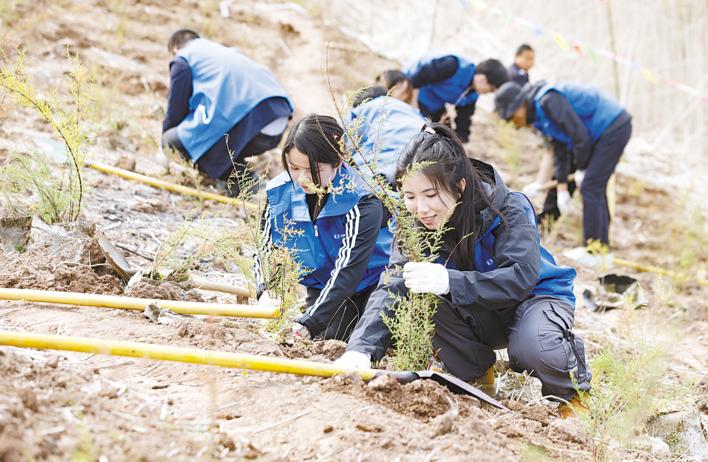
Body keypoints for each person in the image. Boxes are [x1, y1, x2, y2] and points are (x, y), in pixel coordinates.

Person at [335, 124, 591, 412]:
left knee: (537, 347)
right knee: (418, 295)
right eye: (409, 196)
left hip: (534, 299)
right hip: (478, 311)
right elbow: (393, 286)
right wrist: (361, 349)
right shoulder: (414, 227)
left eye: (431, 195)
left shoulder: (508, 208)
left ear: (460, 186)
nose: (421, 208)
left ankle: (574, 398)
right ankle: (477, 379)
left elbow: (520, 277)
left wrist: (450, 282)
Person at [254, 115, 393, 341]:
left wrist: (310, 321)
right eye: (294, 167)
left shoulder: (362, 200)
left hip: (373, 283)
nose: (302, 178)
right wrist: (265, 289)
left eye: (313, 170)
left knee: (373, 334)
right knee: (328, 338)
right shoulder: (280, 192)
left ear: (338, 161)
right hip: (323, 284)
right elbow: (267, 246)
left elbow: (349, 268)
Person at [494, 81, 632, 245]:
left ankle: (594, 249)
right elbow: (561, 150)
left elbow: (579, 136)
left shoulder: (548, 101)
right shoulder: (539, 117)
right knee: (593, 186)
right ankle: (600, 248)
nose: (515, 122)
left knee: (591, 186)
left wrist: (582, 168)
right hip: (598, 134)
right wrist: (562, 188)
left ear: (520, 104)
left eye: (512, 116)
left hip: (612, 126)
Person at [161, 29, 294, 189]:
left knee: (172, 141)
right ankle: (234, 171)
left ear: (175, 49)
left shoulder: (183, 58)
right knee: (211, 140)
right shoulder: (222, 51)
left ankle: (246, 182)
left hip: (249, 121)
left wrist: (164, 145)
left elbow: (175, 114)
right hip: (275, 123)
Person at [376, 56, 508, 143]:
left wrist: (461, 144)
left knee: (443, 133)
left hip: (433, 103)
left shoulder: (472, 95)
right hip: (413, 89)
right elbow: (419, 77)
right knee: (415, 123)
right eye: (490, 89)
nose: (488, 93)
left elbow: (464, 122)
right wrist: (414, 110)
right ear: (483, 79)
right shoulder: (454, 66)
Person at [344, 85, 426, 186]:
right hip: (428, 153)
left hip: (390, 167)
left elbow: (341, 135)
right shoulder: (410, 109)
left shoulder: (365, 108)